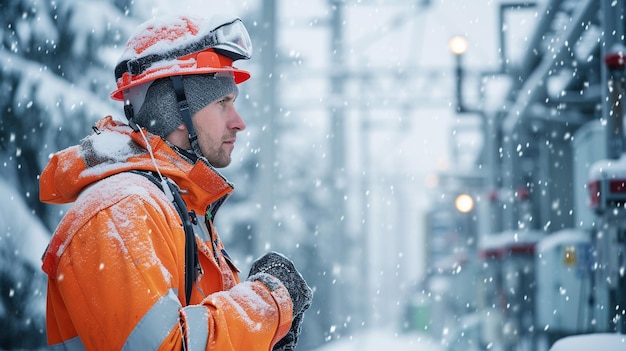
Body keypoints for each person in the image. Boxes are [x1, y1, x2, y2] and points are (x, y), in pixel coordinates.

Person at [39, 14, 312, 350]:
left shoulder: (178, 208)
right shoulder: (118, 211)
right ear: (172, 110)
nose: (239, 122)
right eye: (221, 103)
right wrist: (266, 307)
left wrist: (263, 337)